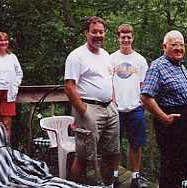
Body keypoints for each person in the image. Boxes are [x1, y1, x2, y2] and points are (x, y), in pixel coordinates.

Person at [64, 16, 120, 188]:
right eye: (94, 32)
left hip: (109, 108)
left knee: (111, 153)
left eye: (101, 32)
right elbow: (69, 87)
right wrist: (84, 111)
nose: (98, 35)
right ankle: (77, 186)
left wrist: (114, 103)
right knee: (84, 155)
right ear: (86, 33)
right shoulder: (76, 56)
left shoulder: (105, 55)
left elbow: (109, 80)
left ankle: (107, 185)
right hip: (88, 108)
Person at [141, 30, 187, 188]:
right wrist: (163, 117)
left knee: (183, 164)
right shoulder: (158, 66)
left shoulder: (181, 66)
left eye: (181, 45)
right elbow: (146, 96)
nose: (179, 48)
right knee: (171, 165)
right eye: (174, 45)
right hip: (172, 121)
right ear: (164, 46)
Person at [111, 24, 148, 188]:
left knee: (136, 144)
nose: (126, 39)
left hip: (135, 109)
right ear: (118, 38)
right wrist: (111, 100)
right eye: (122, 36)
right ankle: (114, 176)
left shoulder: (140, 60)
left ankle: (135, 176)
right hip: (114, 110)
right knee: (114, 145)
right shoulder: (110, 58)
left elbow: (145, 84)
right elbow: (106, 82)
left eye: (129, 36)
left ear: (133, 37)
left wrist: (142, 101)